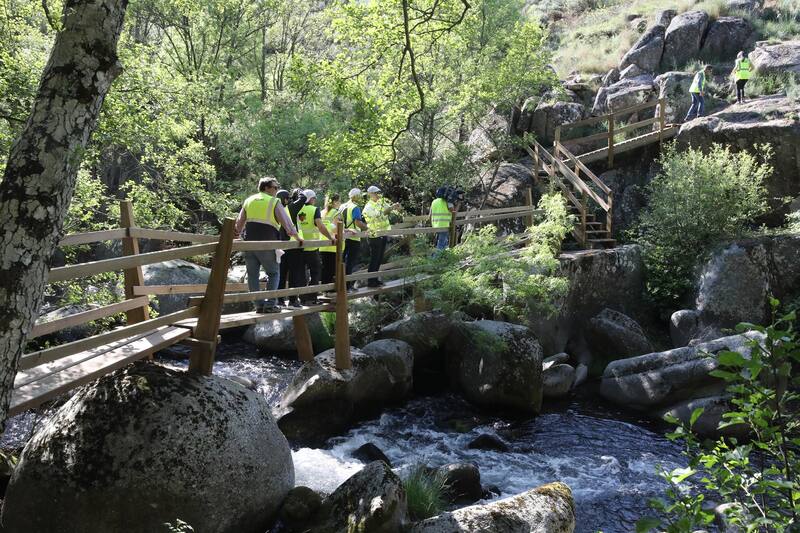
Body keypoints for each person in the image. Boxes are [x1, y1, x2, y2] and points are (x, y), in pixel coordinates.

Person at [235, 177, 302, 313]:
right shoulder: (274, 201)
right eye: (275, 187)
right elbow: (287, 224)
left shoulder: (249, 200)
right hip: (267, 244)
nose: (276, 190)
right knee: (273, 273)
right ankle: (270, 304)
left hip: (249, 244)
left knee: (253, 276)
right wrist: (297, 238)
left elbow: (238, 224)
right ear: (266, 188)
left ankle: (259, 305)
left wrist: (235, 237)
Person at [292, 189, 335, 305]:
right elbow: (320, 226)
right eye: (314, 198)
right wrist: (331, 238)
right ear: (311, 199)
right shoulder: (314, 210)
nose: (315, 201)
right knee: (315, 272)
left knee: (301, 274)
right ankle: (312, 298)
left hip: (299, 246)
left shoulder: (296, 209)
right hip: (312, 247)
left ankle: (302, 298)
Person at [362, 185, 399, 287]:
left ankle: (375, 279)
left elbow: (389, 210)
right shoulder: (368, 207)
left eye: (379, 193)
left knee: (379, 259)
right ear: (371, 194)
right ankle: (371, 281)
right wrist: (388, 210)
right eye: (376, 193)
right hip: (374, 236)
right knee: (374, 259)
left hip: (383, 234)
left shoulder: (381, 202)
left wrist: (394, 207)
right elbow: (377, 216)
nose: (378, 195)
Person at [280, 188, 308, 307]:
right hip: (293, 246)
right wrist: (298, 191)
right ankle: (292, 300)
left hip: (280, 246)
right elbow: (303, 199)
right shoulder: (290, 208)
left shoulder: (275, 209)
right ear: (286, 200)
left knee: (281, 274)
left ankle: (279, 300)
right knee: (294, 274)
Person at [339, 188, 368, 281]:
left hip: (344, 236)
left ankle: (341, 284)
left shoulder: (342, 206)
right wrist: (369, 229)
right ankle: (347, 286)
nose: (360, 198)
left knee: (342, 261)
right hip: (354, 237)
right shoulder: (355, 207)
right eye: (359, 196)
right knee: (350, 262)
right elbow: (358, 223)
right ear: (355, 196)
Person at [319, 193, 341, 286]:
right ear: (335, 202)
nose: (340, 203)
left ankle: (324, 290)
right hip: (333, 244)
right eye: (339, 201)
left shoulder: (321, 212)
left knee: (324, 268)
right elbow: (337, 229)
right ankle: (330, 290)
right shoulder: (336, 212)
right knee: (332, 269)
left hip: (322, 244)